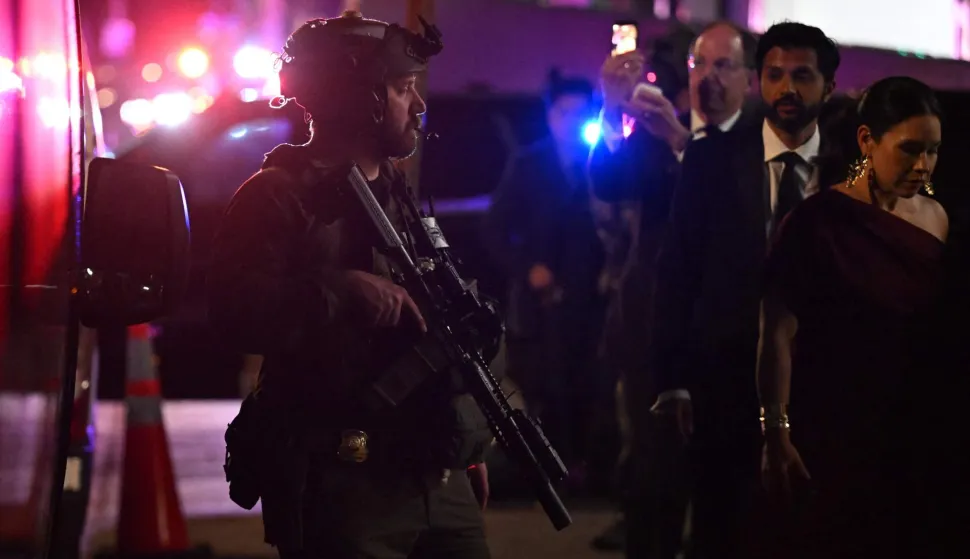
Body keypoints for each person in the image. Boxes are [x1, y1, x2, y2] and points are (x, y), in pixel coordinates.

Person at [207, 11, 492, 559]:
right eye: (403, 88)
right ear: (357, 95)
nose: (418, 104)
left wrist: (466, 445)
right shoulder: (276, 195)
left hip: (434, 470)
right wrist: (341, 290)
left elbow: (438, 321)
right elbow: (233, 311)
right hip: (344, 479)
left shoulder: (398, 194)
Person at [650, 22, 839, 559]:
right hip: (722, 377)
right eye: (775, 75)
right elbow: (678, 269)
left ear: (827, 86)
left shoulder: (849, 166)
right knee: (720, 525)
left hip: (819, 380)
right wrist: (673, 380)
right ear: (759, 81)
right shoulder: (713, 156)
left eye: (802, 76)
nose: (787, 89)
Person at [758, 76, 947, 558]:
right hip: (835, 425)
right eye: (909, 149)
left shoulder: (935, 218)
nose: (922, 164)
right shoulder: (817, 222)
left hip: (914, 425)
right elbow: (777, 331)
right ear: (868, 140)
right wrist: (776, 432)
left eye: (932, 151)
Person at [589, 20, 757, 559]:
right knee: (653, 478)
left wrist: (680, 142)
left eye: (722, 65)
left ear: (750, 80)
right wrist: (612, 109)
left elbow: (736, 215)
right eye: (698, 64)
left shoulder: (755, 142)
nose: (707, 77)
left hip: (730, 339)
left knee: (723, 492)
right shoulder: (664, 130)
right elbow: (608, 183)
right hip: (652, 328)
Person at [481, 70, 606, 488]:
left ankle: (588, 470)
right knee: (545, 387)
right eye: (564, 111)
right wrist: (527, 266)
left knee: (589, 386)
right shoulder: (529, 163)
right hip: (540, 304)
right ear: (551, 116)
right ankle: (550, 471)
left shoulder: (603, 162)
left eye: (580, 112)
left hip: (592, 301)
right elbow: (495, 229)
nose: (572, 120)